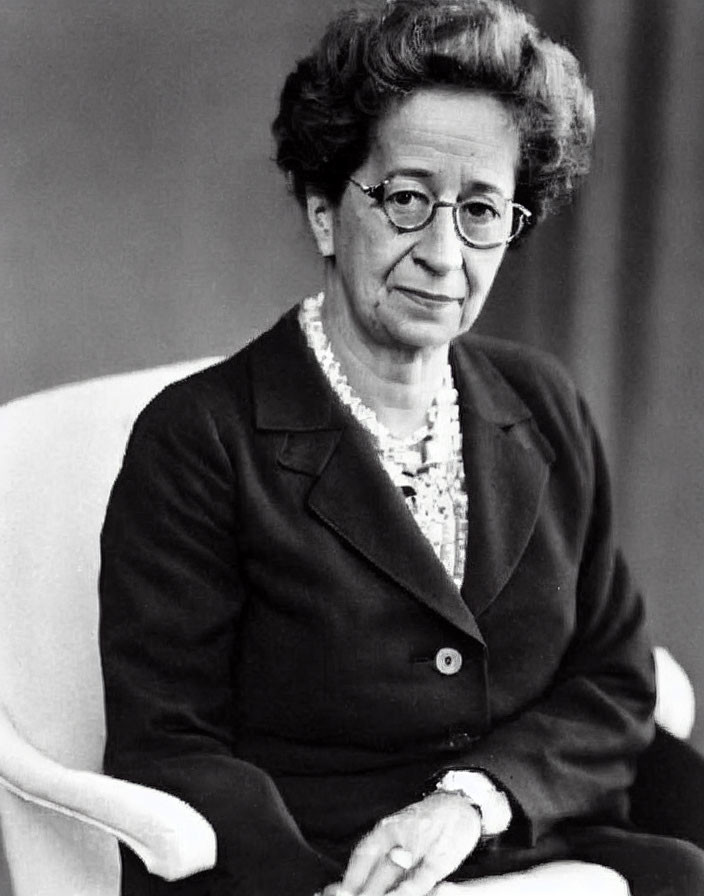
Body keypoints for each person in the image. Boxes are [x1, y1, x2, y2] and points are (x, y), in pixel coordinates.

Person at [98, 1, 704, 894]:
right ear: (322, 213)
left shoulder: (545, 404)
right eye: (408, 199)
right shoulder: (198, 439)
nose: (444, 254)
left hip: (527, 839)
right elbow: (170, 742)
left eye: (482, 211)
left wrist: (472, 800)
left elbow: (613, 682)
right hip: (319, 869)